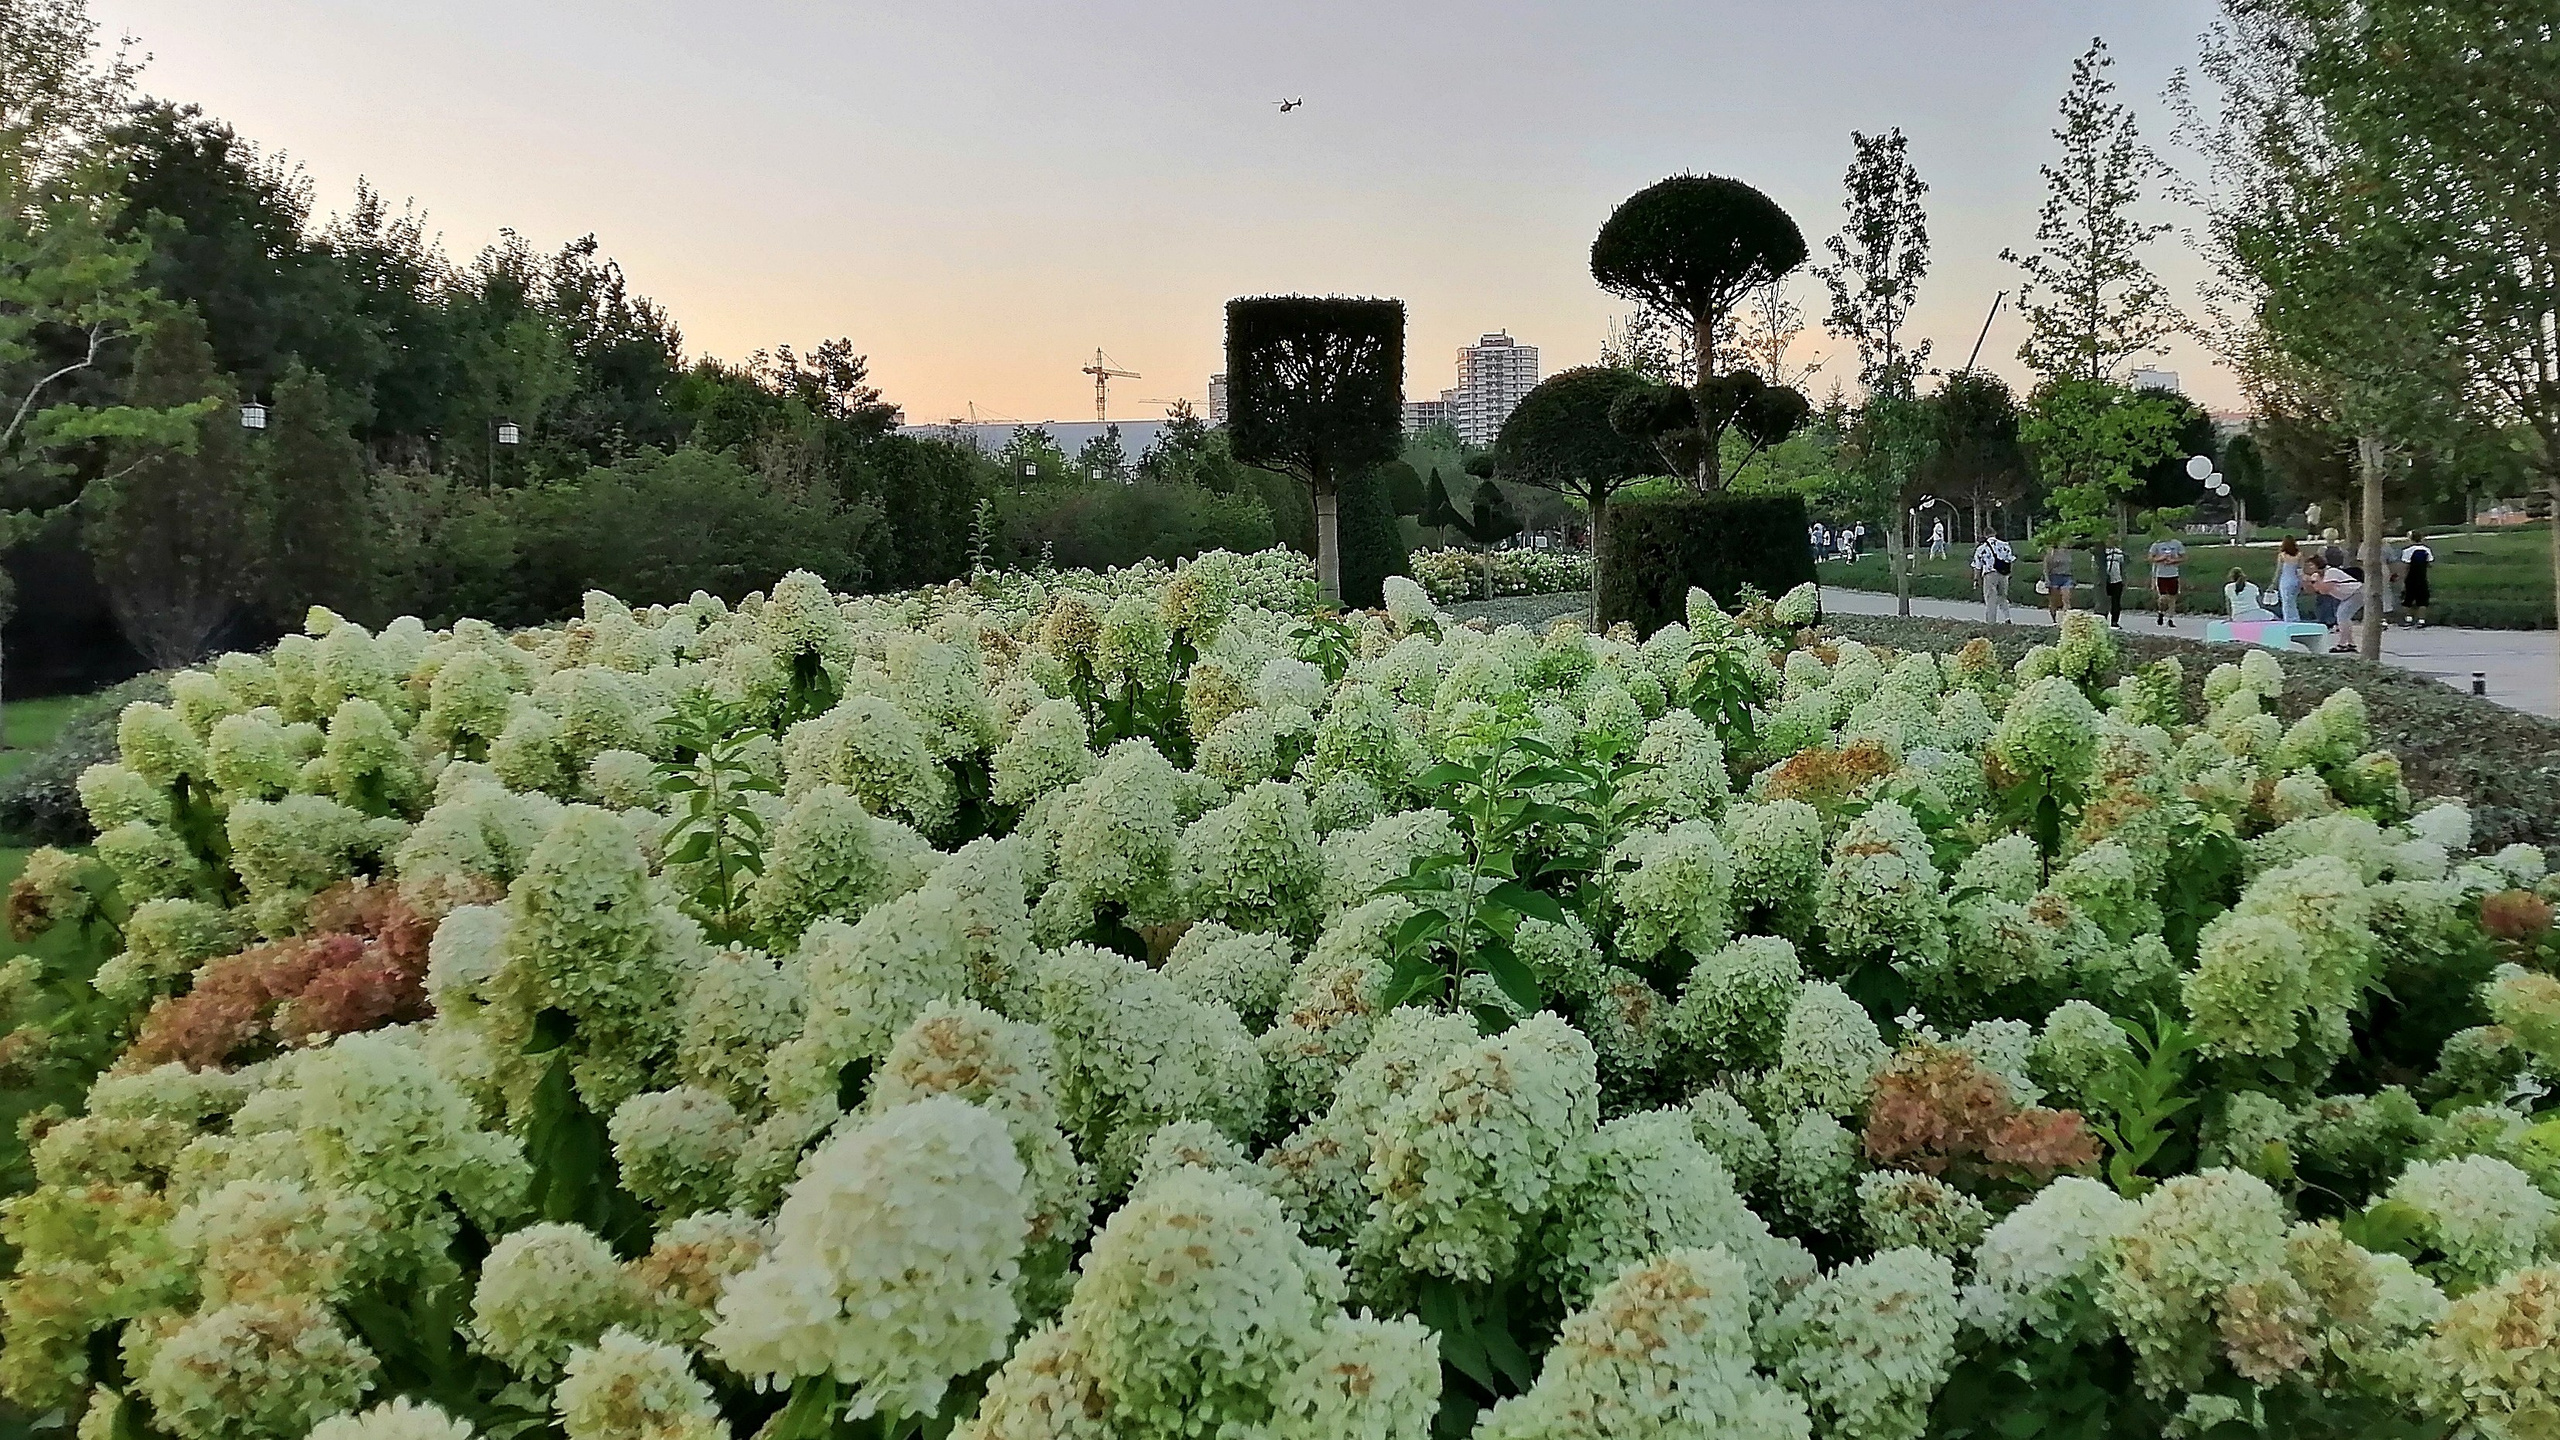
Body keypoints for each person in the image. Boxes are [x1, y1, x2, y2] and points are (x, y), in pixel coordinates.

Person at [2147, 528, 2188, 626]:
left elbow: (2184, 557)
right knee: (2163, 598)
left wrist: (2174, 561)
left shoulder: (2176, 544)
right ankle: (2161, 612)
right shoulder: (2156, 544)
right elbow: (2150, 558)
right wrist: (2161, 558)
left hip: (2173, 574)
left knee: (2173, 597)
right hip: (2161, 574)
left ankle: (2170, 619)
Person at [1971, 533, 2015, 623]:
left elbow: (1977, 566)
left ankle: (1991, 621)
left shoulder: (1981, 548)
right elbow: (2011, 560)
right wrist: (2009, 573)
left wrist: (1976, 579)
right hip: (2003, 574)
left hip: (1989, 574)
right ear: (1994, 534)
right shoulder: (2005, 545)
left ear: (1985, 535)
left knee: (1990, 598)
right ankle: (2007, 617)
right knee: (2002, 597)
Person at [2401, 529, 2434, 627]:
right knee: (2423, 600)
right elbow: (2430, 564)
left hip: (2411, 578)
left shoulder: (2407, 551)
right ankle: (2421, 620)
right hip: (2422, 577)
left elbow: (2405, 566)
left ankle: (2408, 619)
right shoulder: (2427, 550)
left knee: (2408, 599)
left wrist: (2403, 579)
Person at [2099, 535, 2128, 626]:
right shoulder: (2100, 553)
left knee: (2116, 601)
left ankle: (2114, 620)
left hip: (2116, 579)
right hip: (2104, 580)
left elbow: (2122, 567)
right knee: (2104, 601)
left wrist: (2124, 580)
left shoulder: (2119, 553)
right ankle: (2103, 619)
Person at [2042, 541, 2075, 618]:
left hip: (2067, 576)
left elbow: (2072, 566)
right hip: (2054, 577)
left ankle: (2066, 618)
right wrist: (2047, 579)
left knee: (2066, 599)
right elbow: (2046, 567)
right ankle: (2054, 617)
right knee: (2054, 601)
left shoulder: (2069, 553)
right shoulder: (2051, 552)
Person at [2275, 538, 2306, 622]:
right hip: (2295, 580)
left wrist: (2274, 582)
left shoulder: (2282, 555)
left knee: (2286, 602)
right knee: (2293, 601)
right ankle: (2296, 618)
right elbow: (2300, 569)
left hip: (2285, 580)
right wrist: (2302, 581)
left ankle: (2288, 619)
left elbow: (2279, 570)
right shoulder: (2299, 555)